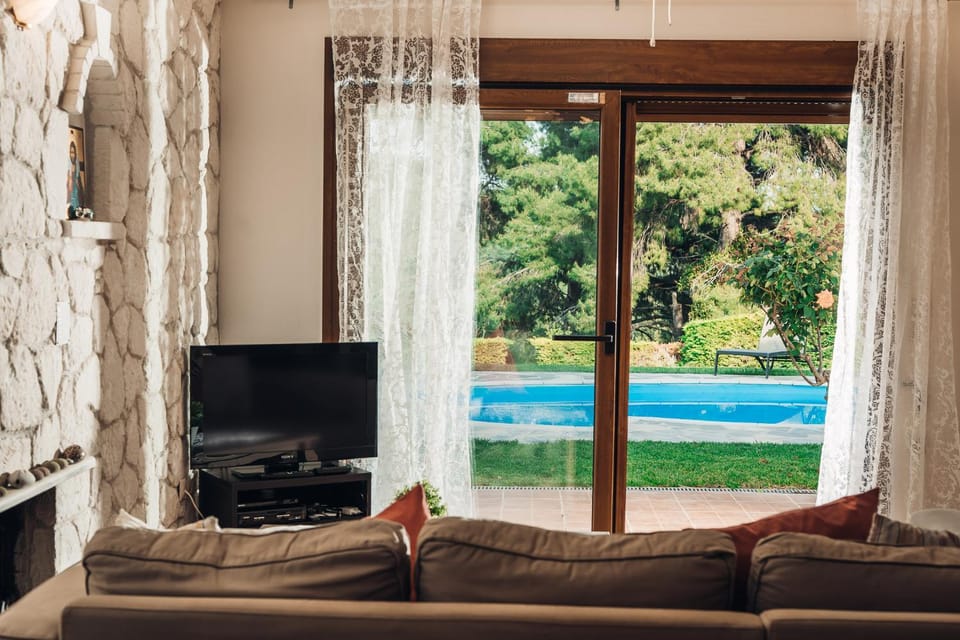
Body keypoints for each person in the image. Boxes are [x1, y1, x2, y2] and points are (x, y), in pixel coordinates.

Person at [66, 140, 85, 216]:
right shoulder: (68, 164)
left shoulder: (76, 164)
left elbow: (78, 179)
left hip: (76, 190)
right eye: (71, 152)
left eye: (73, 152)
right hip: (70, 189)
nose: (72, 155)